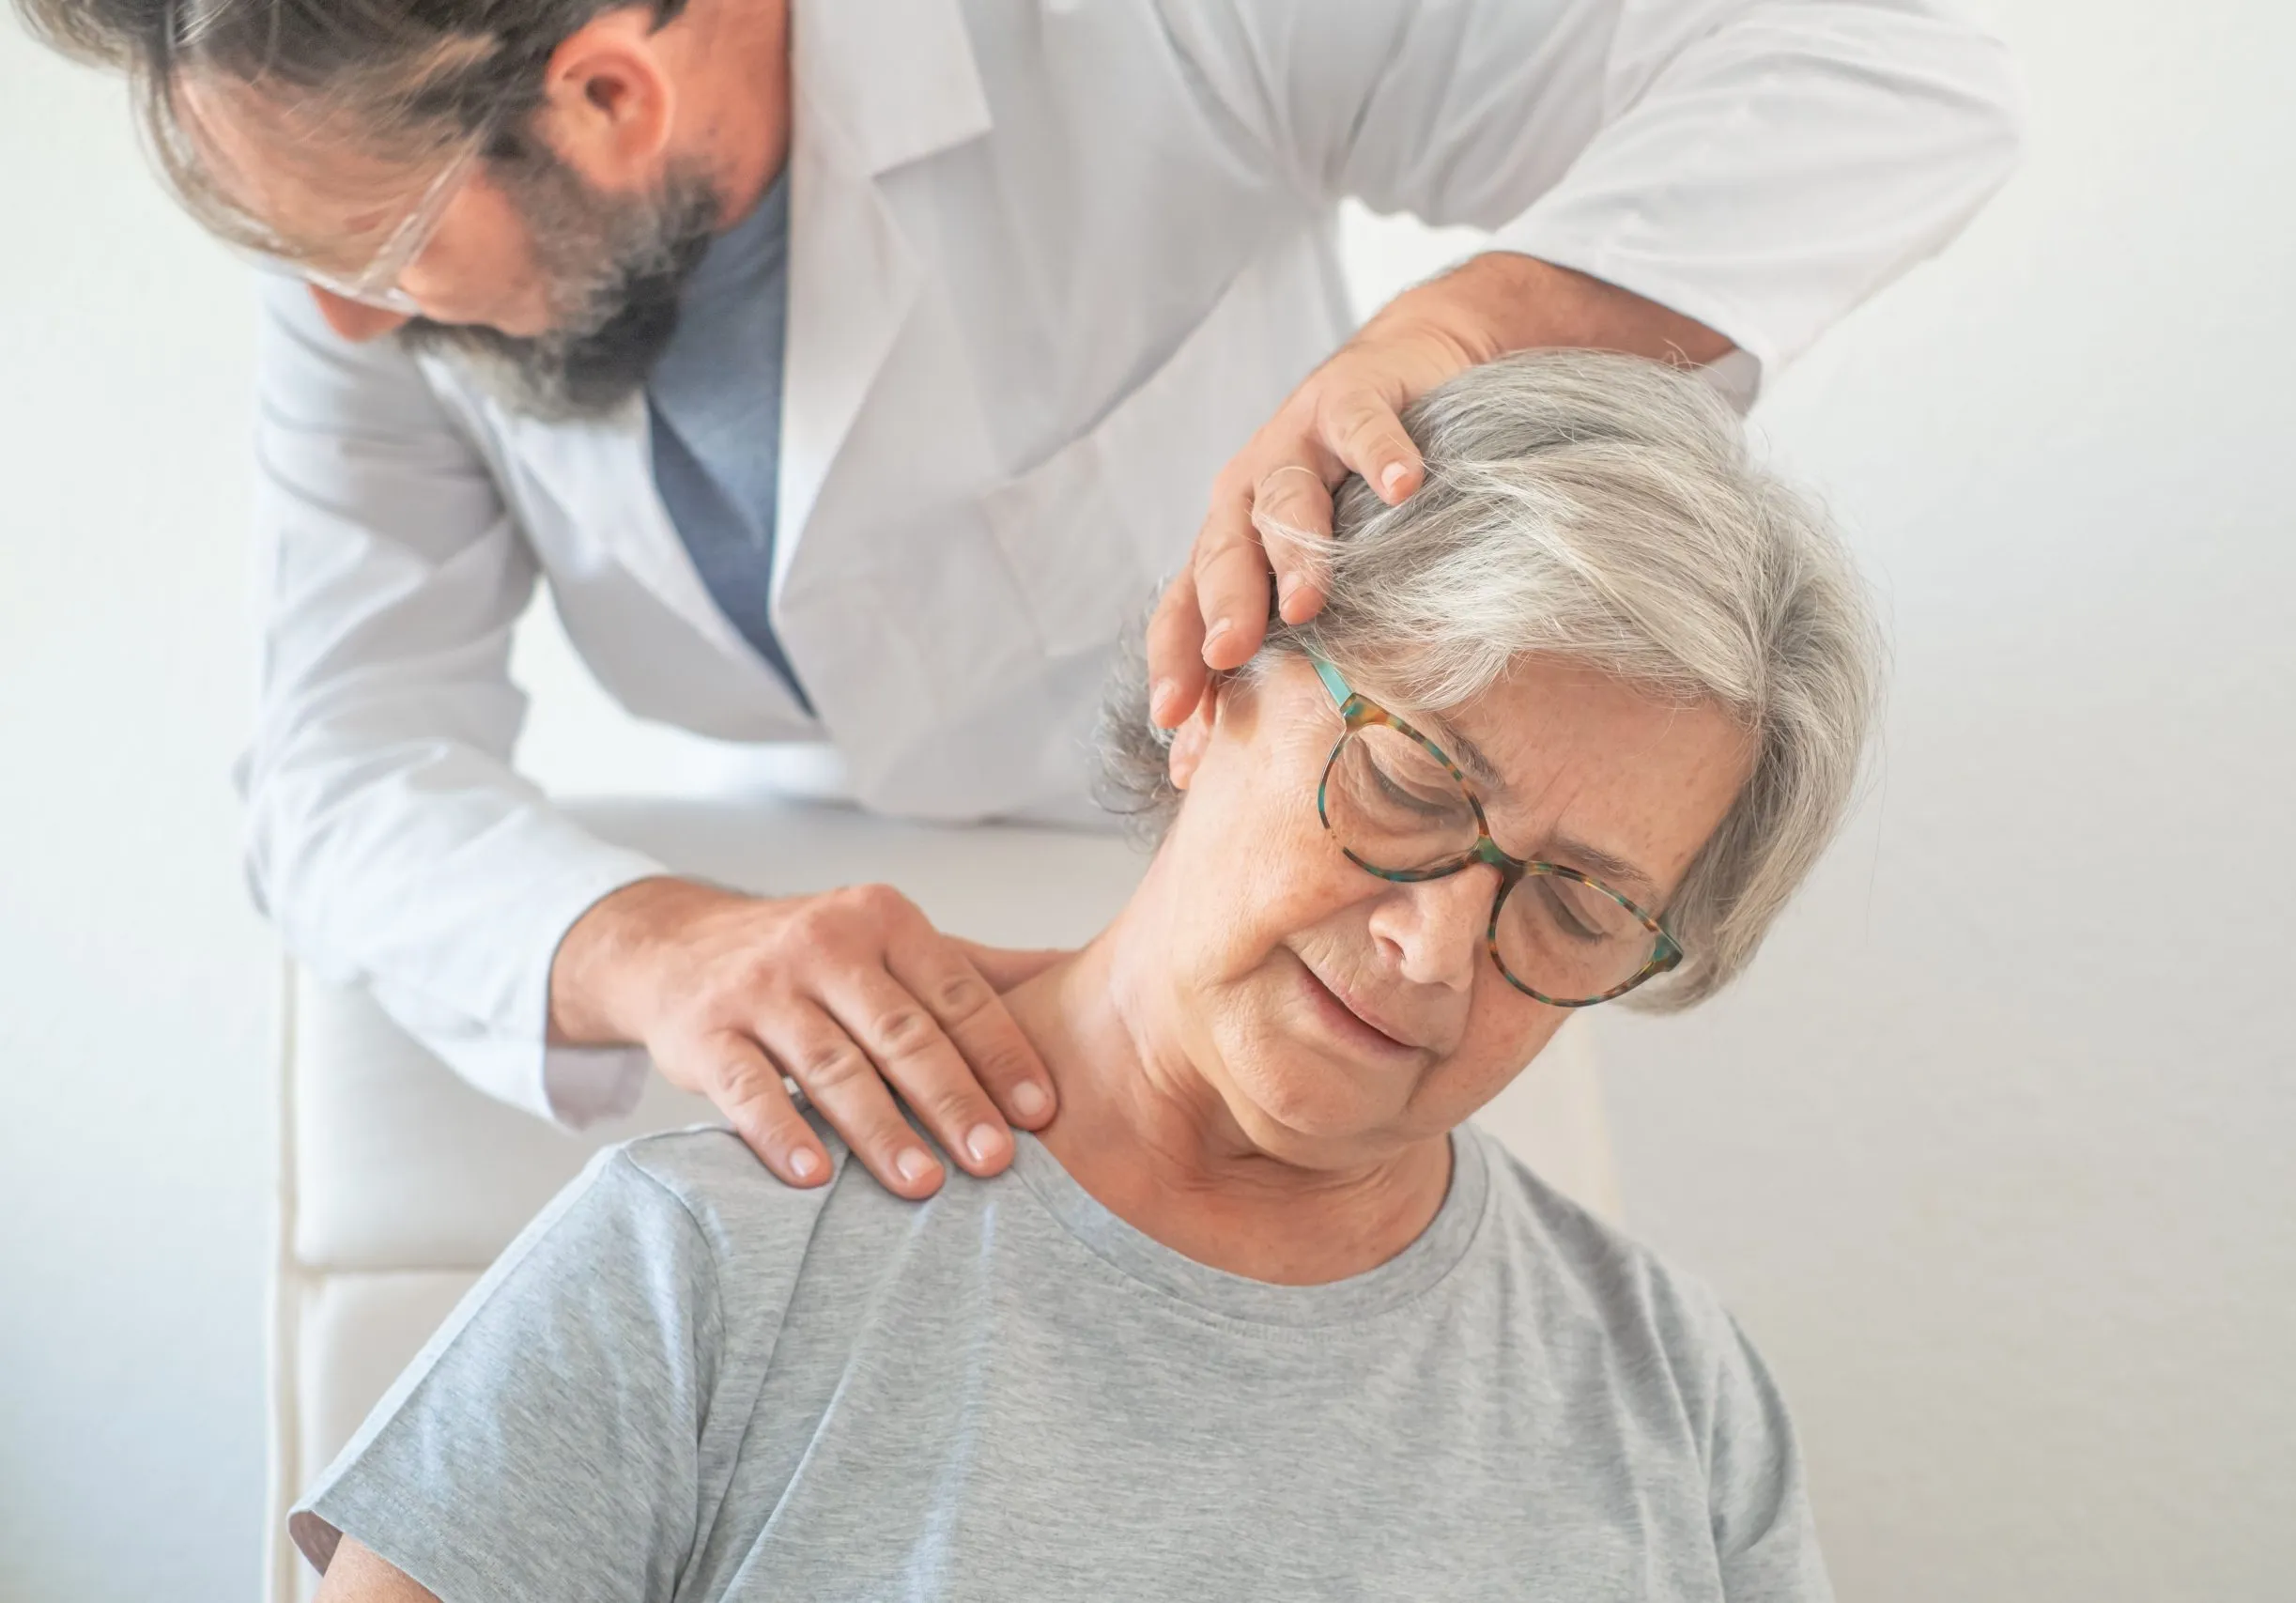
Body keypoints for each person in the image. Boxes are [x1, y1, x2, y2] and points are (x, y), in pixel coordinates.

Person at [17, 0, 2013, 1195]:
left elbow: (1874, 71)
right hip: (856, 1008)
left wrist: (1470, 319)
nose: (331, 311)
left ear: (612, 96)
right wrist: (649, 953)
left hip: (1292, 957)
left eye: (363, 236)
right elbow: (341, 758)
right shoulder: (374, 292)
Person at [286, 350, 1880, 1600]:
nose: (1436, 946)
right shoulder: (704, 1264)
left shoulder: (1672, 1387)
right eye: (1410, 783)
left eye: (1584, 906)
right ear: (1210, 681)